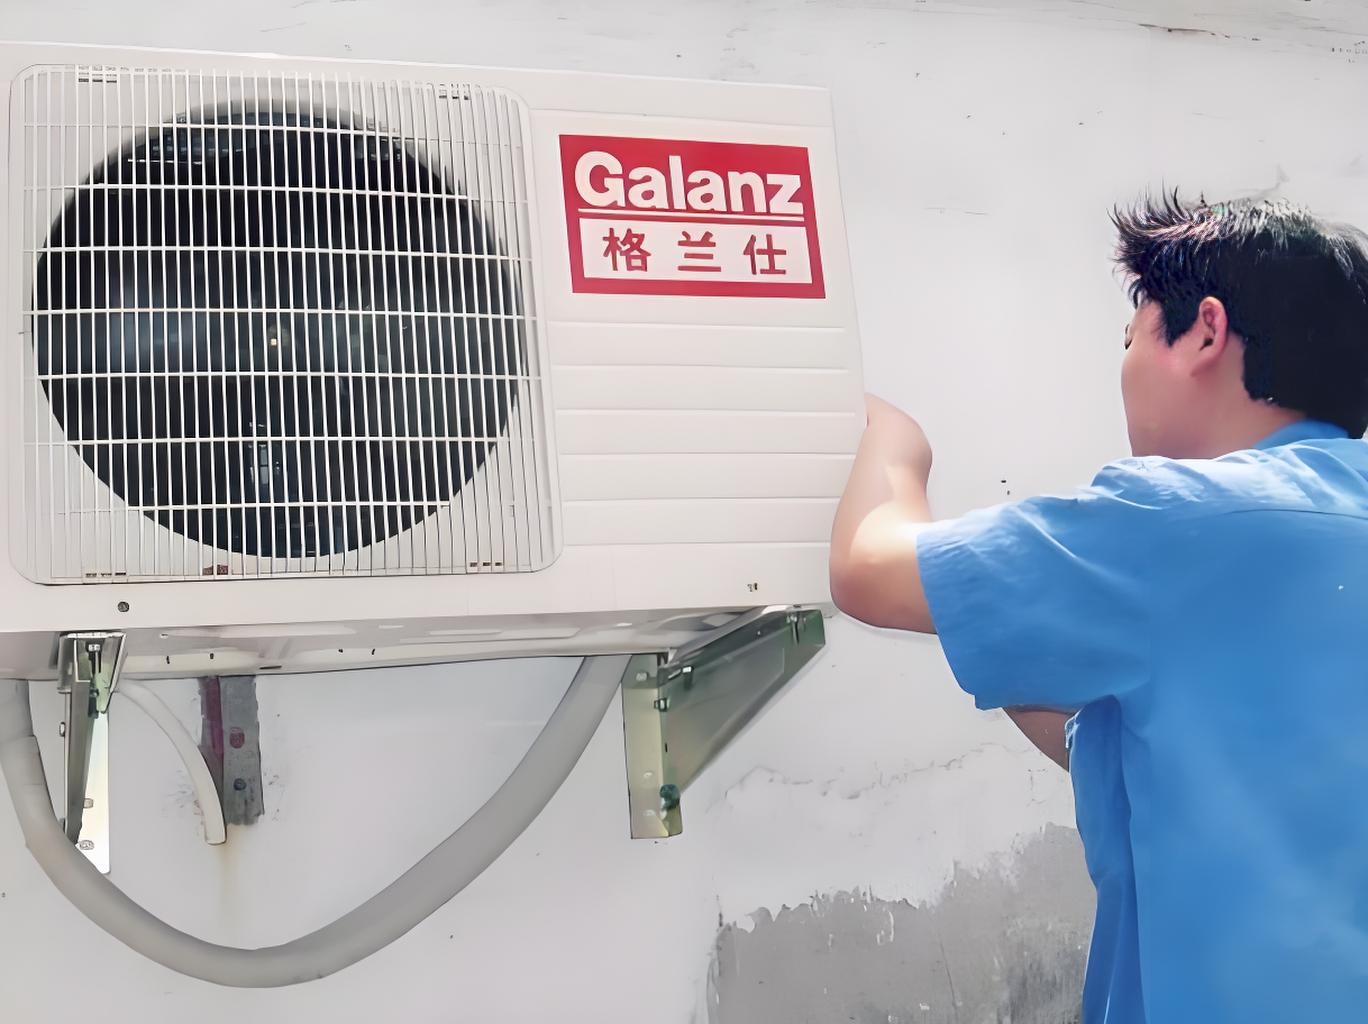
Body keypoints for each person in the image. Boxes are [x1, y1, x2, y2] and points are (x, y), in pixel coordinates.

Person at [829, 194, 1368, 1023]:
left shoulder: (1174, 521)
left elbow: (869, 568)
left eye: (1131, 339)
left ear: (1205, 332)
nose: (1125, 368)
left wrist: (891, 437)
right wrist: (1020, 624)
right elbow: (1178, 756)